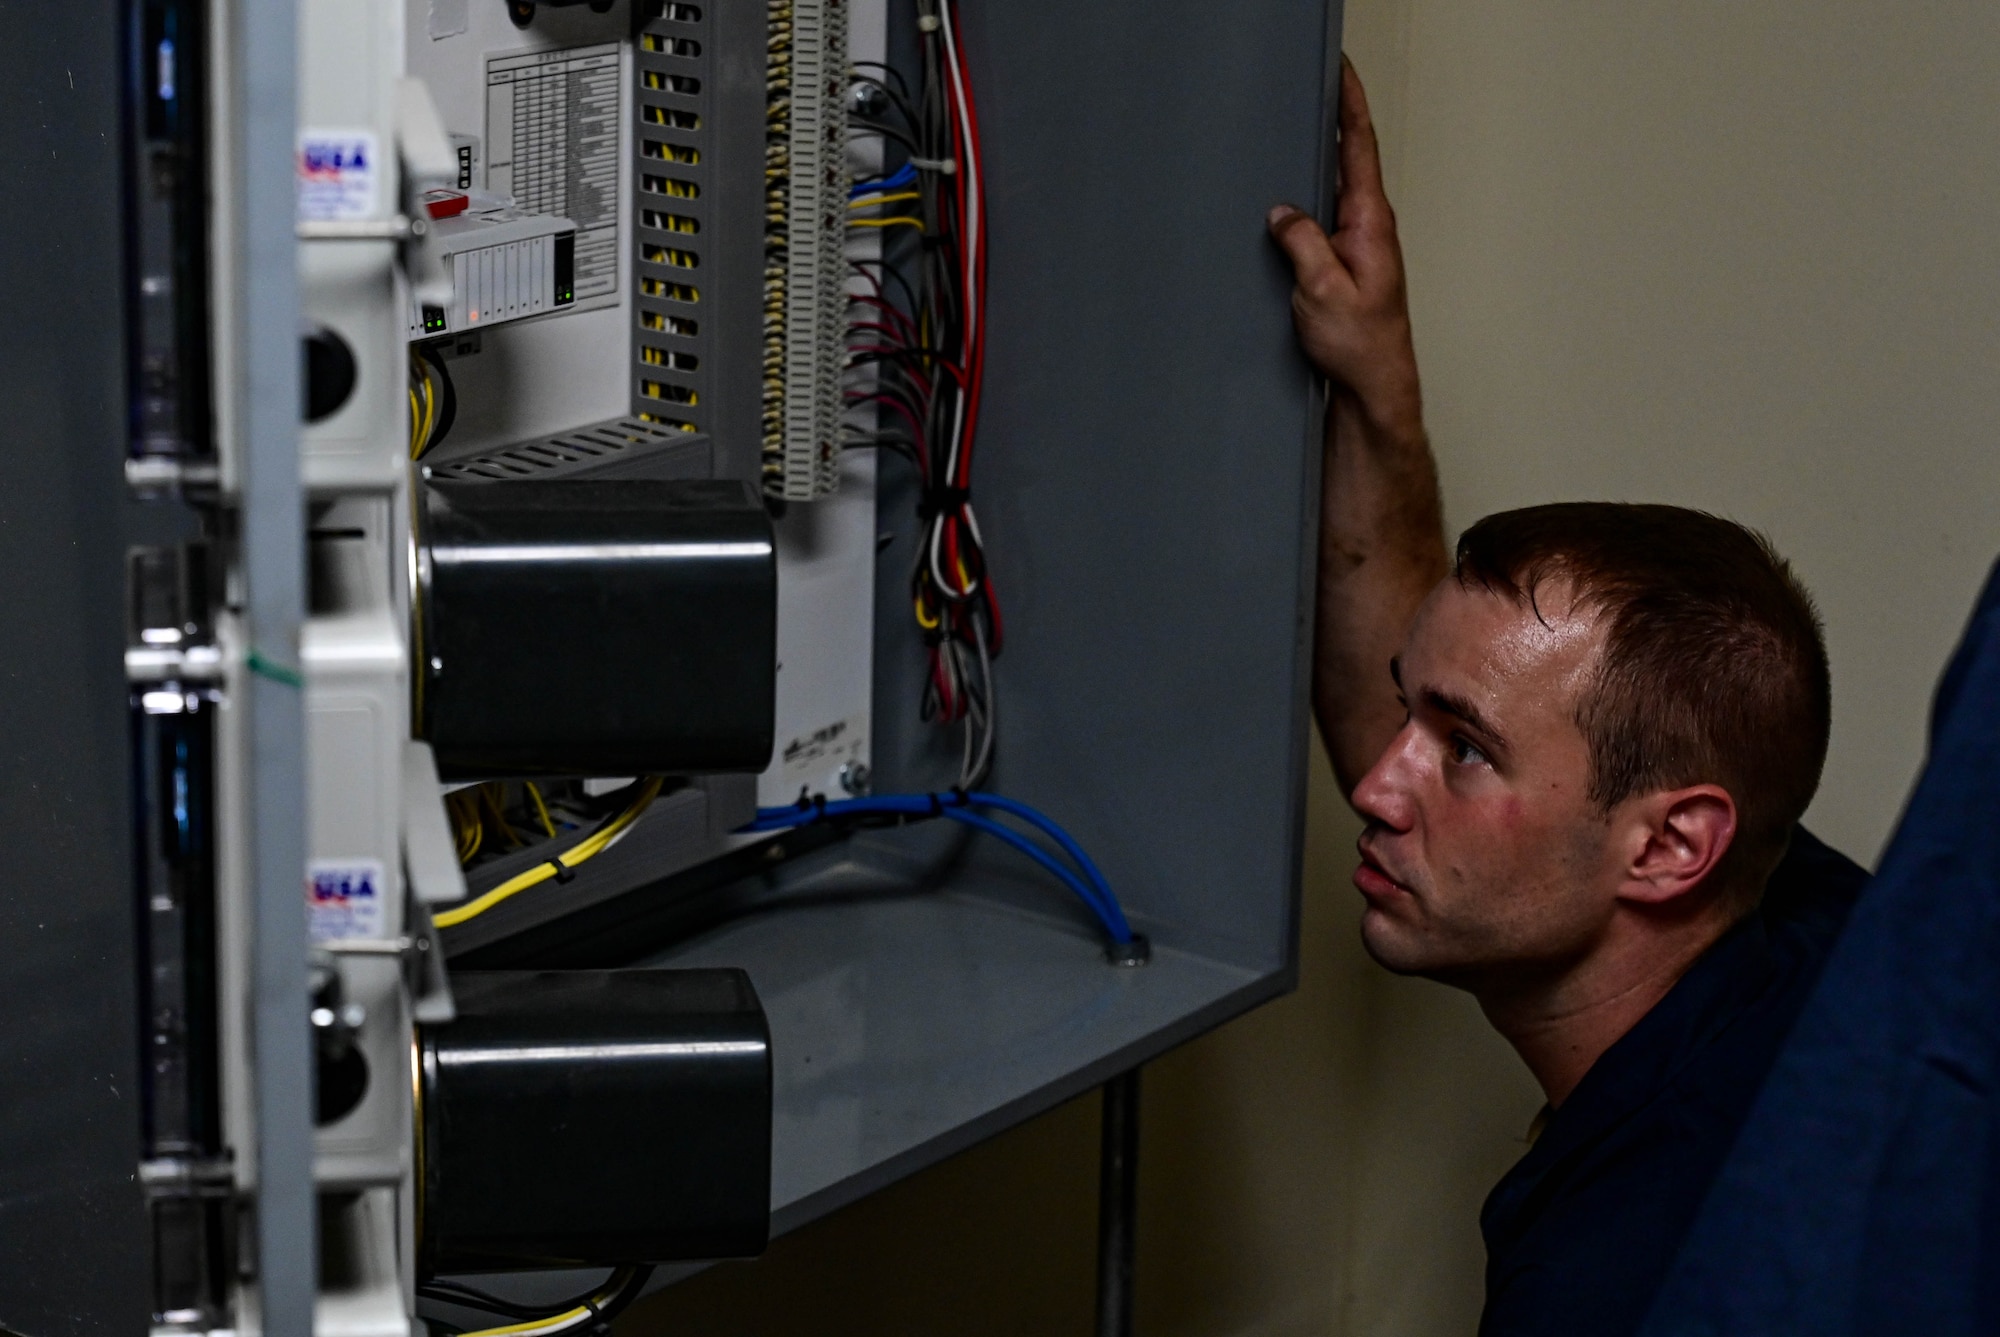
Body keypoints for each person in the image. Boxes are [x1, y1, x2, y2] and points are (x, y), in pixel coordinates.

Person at [1266, 59, 1870, 1337]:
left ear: (1669, 846)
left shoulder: (1635, 1273)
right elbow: (1486, 728)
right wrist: (1377, 389)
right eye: (1412, 713)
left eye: (1462, 751)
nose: (1376, 781)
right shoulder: (1804, 926)